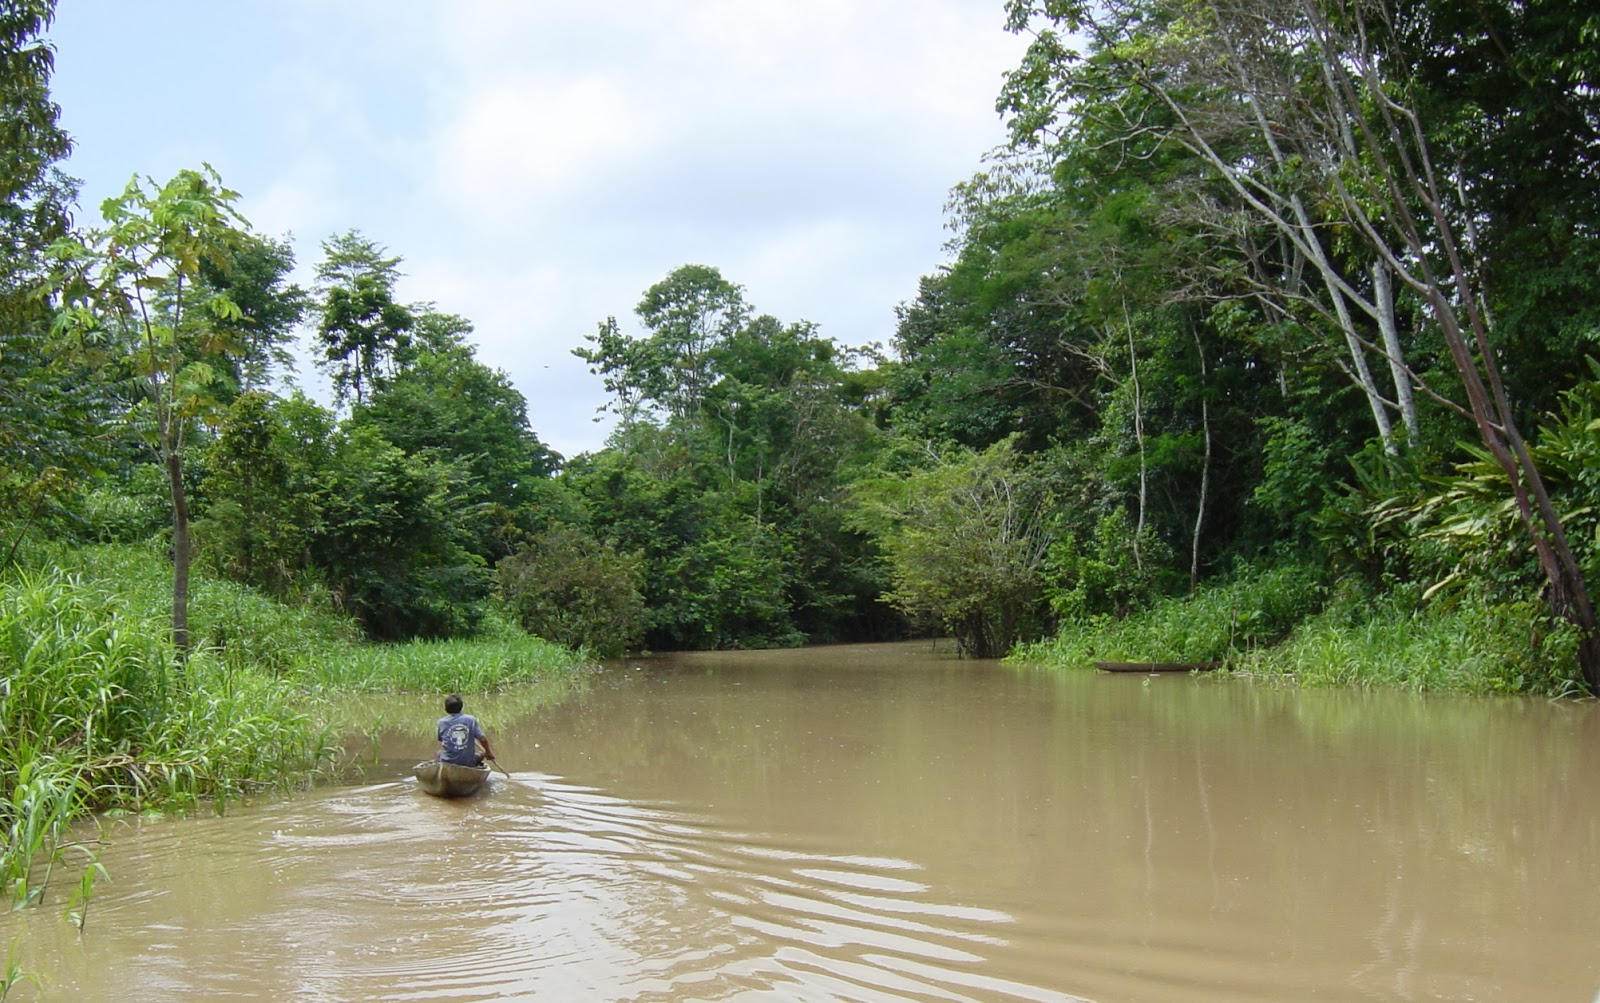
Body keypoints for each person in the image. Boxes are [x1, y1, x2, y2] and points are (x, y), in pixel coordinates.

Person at [436, 693, 496, 767]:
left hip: (448, 761)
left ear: (445, 709)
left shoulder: (441, 722)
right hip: (468, 762)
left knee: (438, 753)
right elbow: (482, 739)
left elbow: (440, 739)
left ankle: (441, 767)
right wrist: (488, 752)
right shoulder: (470, 719)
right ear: (461, 707)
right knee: (481, 754)